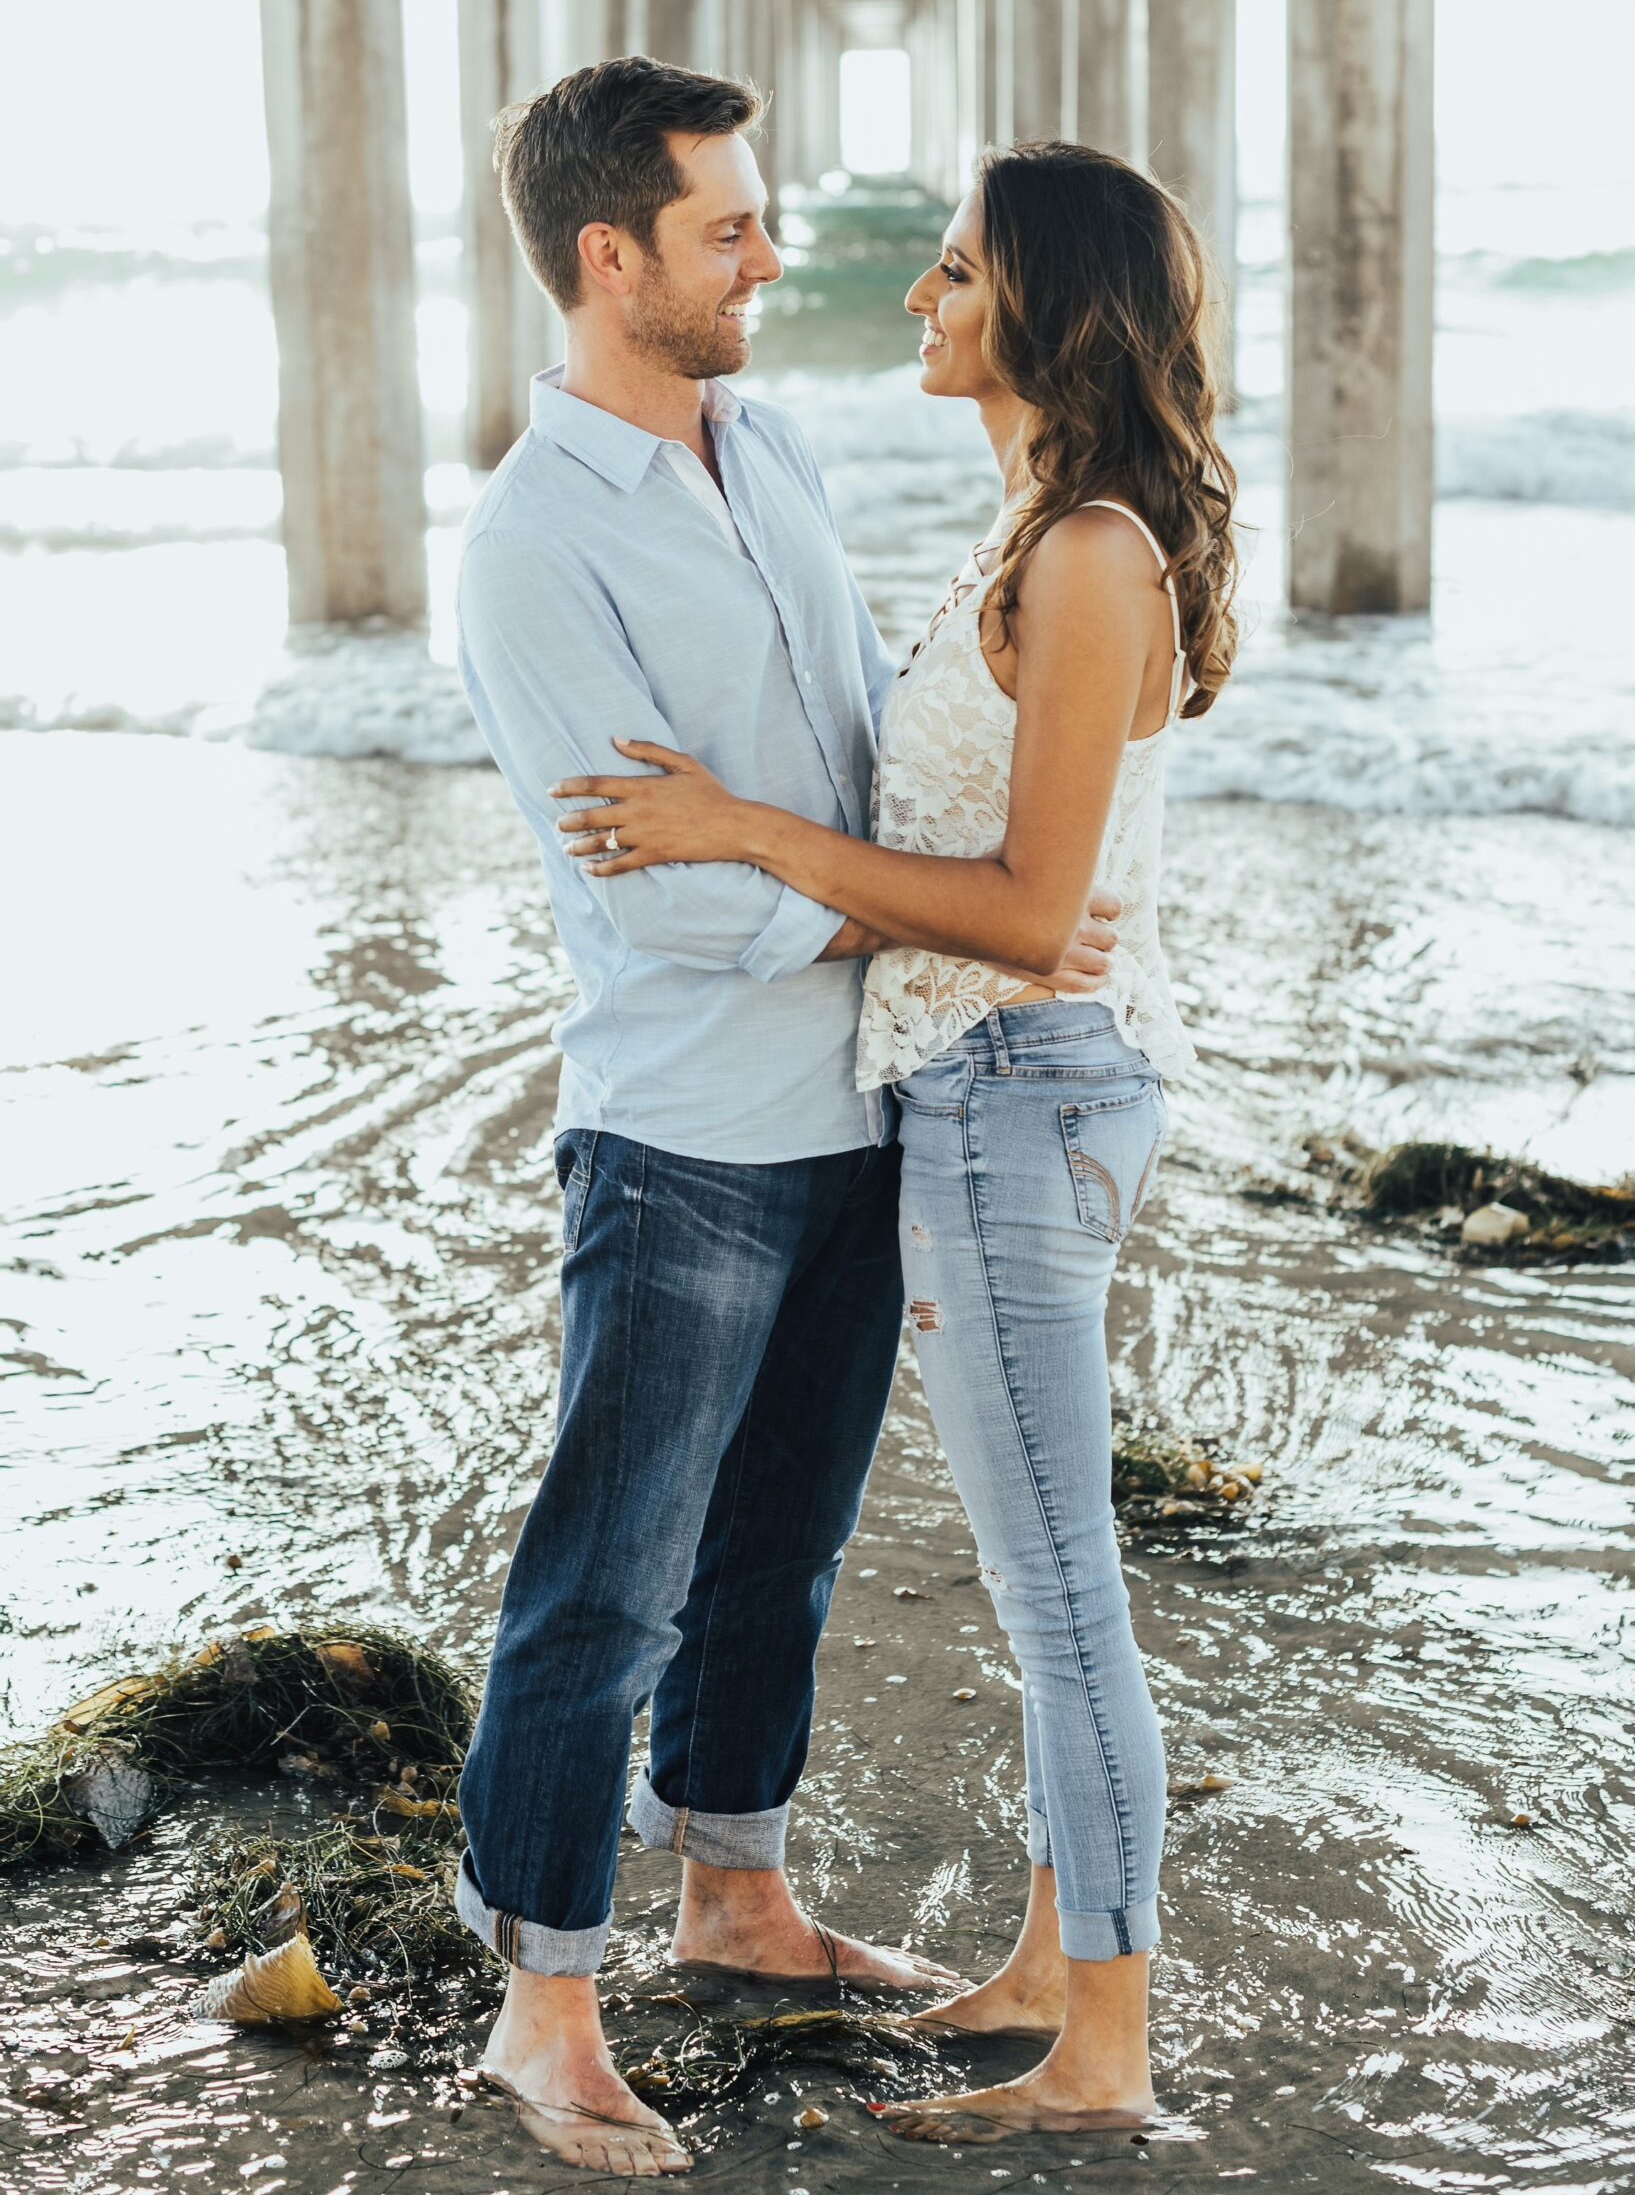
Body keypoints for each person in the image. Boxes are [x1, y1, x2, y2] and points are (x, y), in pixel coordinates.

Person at [454, 60, 1121, 2177]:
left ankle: (732, 1892)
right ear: (608, 256)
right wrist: (943, 934)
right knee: (605, 1572)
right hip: (679, 1133)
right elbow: (644, 878)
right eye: (728, 224)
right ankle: (539, 2000)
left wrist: (947, 927)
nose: (772, 250)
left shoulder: (782, 441)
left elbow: (838, 774)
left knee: (781, 1554)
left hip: (855, 1118)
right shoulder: (533, 538)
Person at [553, 139, 1239, 2144]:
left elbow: (1030, 909)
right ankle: (1049, 1955)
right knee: (1040, 1571)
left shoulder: (1092, 547)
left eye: (949, 275)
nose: (914, 302)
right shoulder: (1035, 521)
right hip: (971, 1084)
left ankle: (1099, 2049)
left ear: (1038, 305)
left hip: (1024, 1089)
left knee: (1055, 1592)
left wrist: (738, 828)